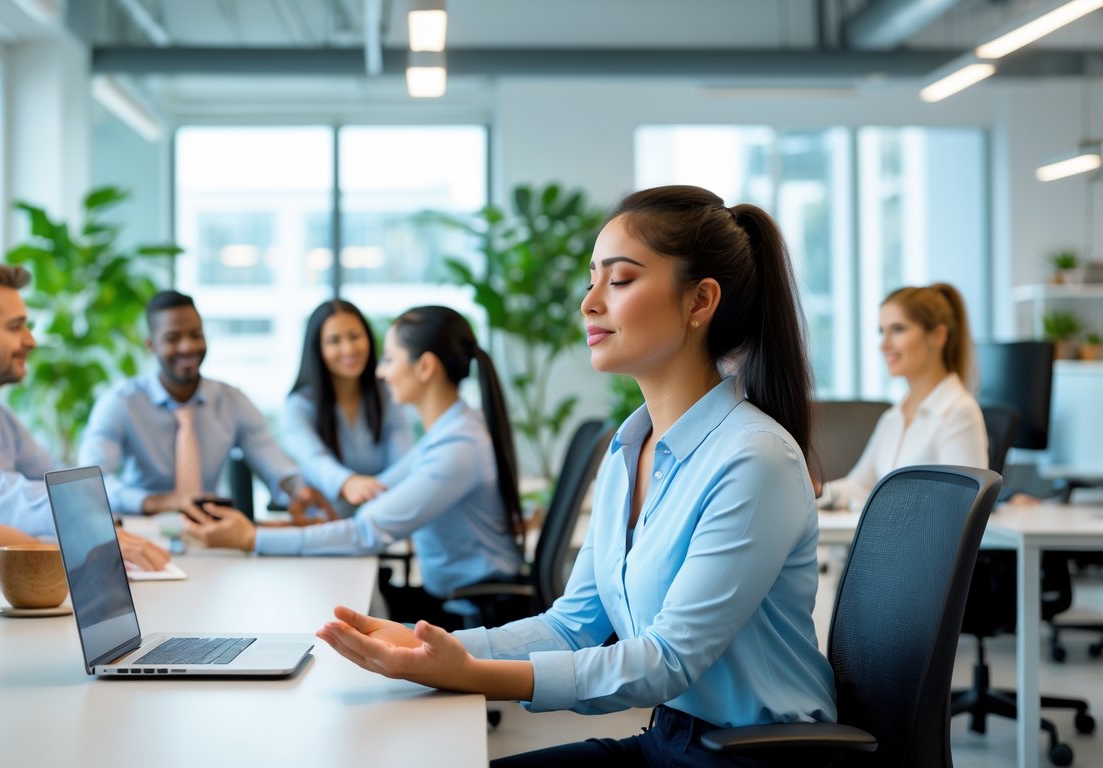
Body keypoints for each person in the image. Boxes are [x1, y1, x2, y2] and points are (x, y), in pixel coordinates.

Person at [316, 186, 837, 767]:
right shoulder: (627, 448)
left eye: (618, 281)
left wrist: (472, 674)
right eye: (592, 279)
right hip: (674, 739)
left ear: (699, 302)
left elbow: (666, 662)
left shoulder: (755, 459)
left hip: (753, 757)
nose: (589, 303)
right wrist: (427, 647)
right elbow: (573, 626)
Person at [183, 305, 524, 630]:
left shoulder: (458, 446)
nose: (380, 371)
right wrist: (285, 529)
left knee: (329, 623)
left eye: (389, 359)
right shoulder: (452, 431)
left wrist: (250, 537)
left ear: (425, 367)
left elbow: (366, 532)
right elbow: (379, 495)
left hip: (476, 613)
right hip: (457, 599)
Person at [0, 262, 170, 570]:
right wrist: (81, 523)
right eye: (15, 326)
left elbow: (54, 477)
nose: (31, 340)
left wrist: (110, 517)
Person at [78, 290, 335, 524]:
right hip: (144, 529)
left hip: (211, 530)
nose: (188, 346)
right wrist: (160, 502)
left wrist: (296, 490)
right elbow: (90, 485)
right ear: (151, 345)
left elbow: (274, 463)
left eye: (195, 335)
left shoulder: (232, 400)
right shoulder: (120, 403)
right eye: (173, 338)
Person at [818, 283, 987, 512]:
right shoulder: (894, 416)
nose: (884, 345)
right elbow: (859, 485)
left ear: (937, 336)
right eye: (882, 331)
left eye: (898, 329)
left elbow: (962, 508)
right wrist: (816, 493)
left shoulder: (958, 413)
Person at [280, 299, 413, 514]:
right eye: (334, 340)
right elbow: (314, 460)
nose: (348, 349)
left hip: (383, 517)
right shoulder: (298, 407)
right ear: (317, 348)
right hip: (325, 523)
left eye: (354, 336)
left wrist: (369, 491)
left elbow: (403, 460)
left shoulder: (388, 394)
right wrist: (348, 484)